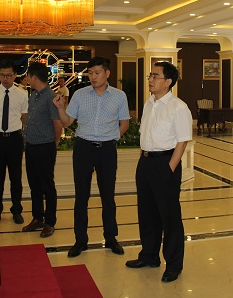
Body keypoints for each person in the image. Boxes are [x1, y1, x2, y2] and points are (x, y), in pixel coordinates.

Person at [53, 56, 130, 258]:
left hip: (107, 150)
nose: (93, 77)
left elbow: (124, 123)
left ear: (107, 73)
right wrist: (60, 108)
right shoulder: (80, 95)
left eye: (97, 72)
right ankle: (80, 240)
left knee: (108, 196)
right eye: (90, 73)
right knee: (81, 197)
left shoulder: (119, 96)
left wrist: (112, 138)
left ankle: (111, 238)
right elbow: (67, 122)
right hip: (83, 148)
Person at [125, 61, 192, 283]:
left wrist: (169, 168)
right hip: (145, 162)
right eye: (150, 75)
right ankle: (149, 255)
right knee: (147, 213)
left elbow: (182, 141)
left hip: (165, 163)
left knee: (169, 217)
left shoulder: (178, 107)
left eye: (155, 76)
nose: (151, 80)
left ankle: (173, 265)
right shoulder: (149, 103)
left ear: (168, 82)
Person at [0, 59, 29, 223]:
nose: (5, 78)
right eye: (2, 75)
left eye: (9, 75)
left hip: (15, 139)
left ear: (15, 75)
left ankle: (16, 210)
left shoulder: (22, 94)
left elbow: (24, 118)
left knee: (16, 178)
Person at [21, 62, 63, 238]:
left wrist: (55, 143)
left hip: (45, 146)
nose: (26, 79)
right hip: (31, 145)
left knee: (47, 186)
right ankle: (37, 217)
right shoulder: (33, 95)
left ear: (34, 77)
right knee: (34, 185)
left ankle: (50, 222)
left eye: (28, 76)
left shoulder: (50, 97)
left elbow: (57, 124)